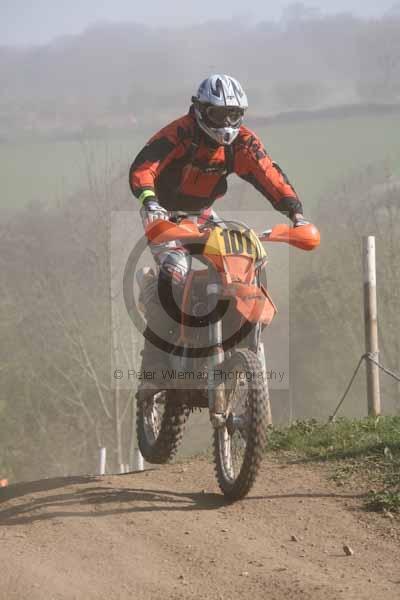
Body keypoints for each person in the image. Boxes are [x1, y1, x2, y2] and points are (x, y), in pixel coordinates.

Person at [129, 74, 309, 374]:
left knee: (239, 265)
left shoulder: (242, 143)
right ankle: (154, 366)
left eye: (233, 114)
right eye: (218, 114)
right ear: (200, 110)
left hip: (202, 214)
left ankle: (229, 338)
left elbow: (268, 174)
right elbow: (144, 166)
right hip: (164, 213)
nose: (226, 123)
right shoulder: (180, 133)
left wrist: (296, 214)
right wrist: (149, 201)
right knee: (175, 273)